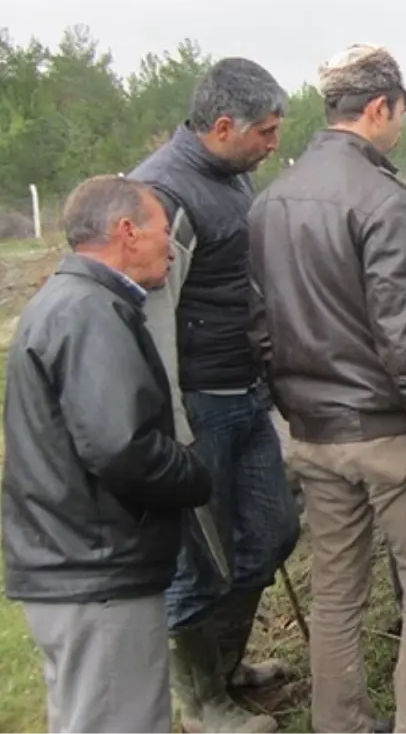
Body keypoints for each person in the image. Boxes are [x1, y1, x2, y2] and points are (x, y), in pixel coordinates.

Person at [248, 43, 406, 734]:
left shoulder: (269, 203)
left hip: (315, 435)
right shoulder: (385, 201)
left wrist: (297, 412)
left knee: (336, 595)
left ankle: (342, 726)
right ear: (378, 108)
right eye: (400, 114)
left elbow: (259, 330)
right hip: (390, 436)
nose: (402, 128)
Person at [2, 175, 213, 734]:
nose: (171, 247)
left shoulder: (75, 302)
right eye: (163, 232)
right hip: (95, 570)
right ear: (127, 232)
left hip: (75, 562)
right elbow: (122, 447)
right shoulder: (89, 312)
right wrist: (194, 473)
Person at [129, 58, 301, 734]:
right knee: (196, 563)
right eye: (265, 131)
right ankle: (201, 705)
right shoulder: (160, 195)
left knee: (272, 531)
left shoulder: (232, 175)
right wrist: (168, 426)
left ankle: (226, 666)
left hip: (244, 392)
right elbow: (150, 318)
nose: (273, 143)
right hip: (194, 408)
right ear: (223, 126)